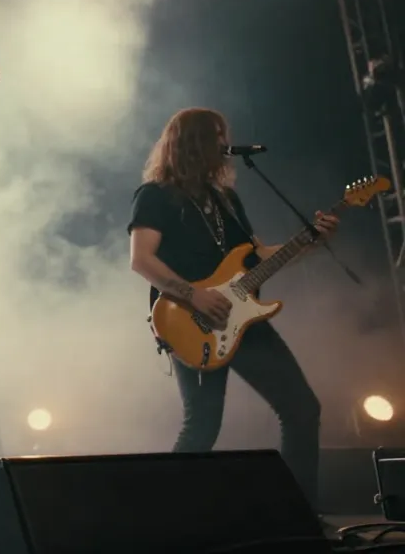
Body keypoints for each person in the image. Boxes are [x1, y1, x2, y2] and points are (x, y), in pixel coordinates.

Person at [127, 107, 336, 505]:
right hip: (190, 320)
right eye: (218, 136)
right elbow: (142, 259)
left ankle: (300, 512)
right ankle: (165, 516)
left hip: (244, 320)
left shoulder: (225, 200)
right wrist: (194, 294)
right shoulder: (154, 196)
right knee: (202, 426)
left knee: (302, 409)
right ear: (195, 142)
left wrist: (311, 242)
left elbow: (257, 256)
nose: (226, 144)